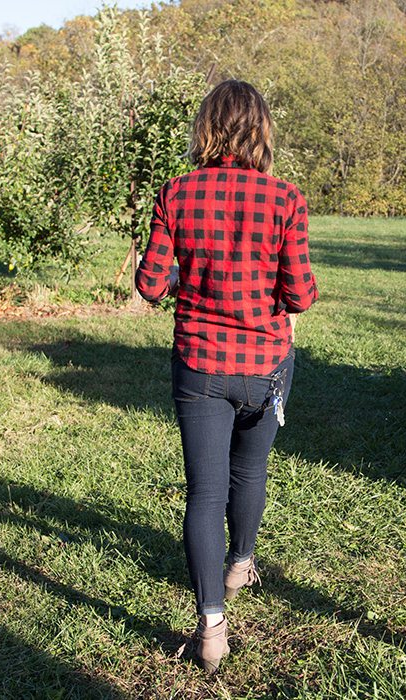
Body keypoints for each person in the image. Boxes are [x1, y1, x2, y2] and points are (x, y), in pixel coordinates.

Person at [135, 79, 318, 673]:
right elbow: (300, 295)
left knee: (204, 491)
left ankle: (212, 626)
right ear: (261, 131)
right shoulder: (286, 199)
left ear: (206, 128)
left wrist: (192, 281)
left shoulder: (176, 193)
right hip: (266, 364)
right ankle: (241, 562)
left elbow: (150, 284)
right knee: (251, 468)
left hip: (200, 363)